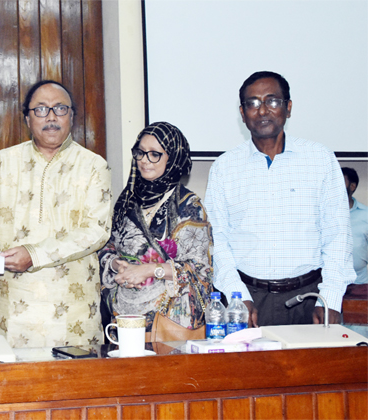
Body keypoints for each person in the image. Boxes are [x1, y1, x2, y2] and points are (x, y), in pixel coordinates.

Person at [0, 80, 113, 348]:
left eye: (60, 109)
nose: (51, 117)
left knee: (74, 385)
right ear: (27, 118)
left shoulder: (94, 166)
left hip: (72, 307)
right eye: (41, 110)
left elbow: (97, 231)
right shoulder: (2, 161)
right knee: (12, 385)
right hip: (11, 300)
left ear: (72, 116)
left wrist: (34, 254)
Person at [205, 71, 354, 327]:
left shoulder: (320, 159)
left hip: (311, 298)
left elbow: (337, 234)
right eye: (253, 103)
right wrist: (236, 294)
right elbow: (217, 240)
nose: (262, 110)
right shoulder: (224, 168)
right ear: (242, 113)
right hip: (250, 299)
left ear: (288, 107)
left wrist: (330, 298)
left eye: (272, 101)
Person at [98, 122, 213, 333]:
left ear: (173, 158)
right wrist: (116, 265)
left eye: (154, 154)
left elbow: (201, 270)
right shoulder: (128, 200)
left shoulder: (188, 206)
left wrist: (150, 270)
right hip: (124, 316)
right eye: (140, 153)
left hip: (171, 321)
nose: (144, 160)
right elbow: (107, 246)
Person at [342, 167, 367, 285]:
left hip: (360, 282)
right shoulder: (321, 213)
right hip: (326, 282)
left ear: (352, 186)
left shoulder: (365, 215)